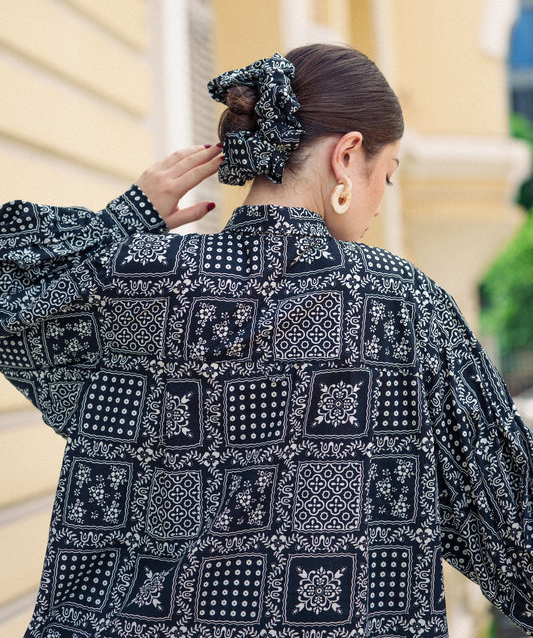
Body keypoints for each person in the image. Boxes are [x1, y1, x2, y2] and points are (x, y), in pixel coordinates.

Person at [0, 43, 532, 638]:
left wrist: (127, 221)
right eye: (387, 173)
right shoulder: (398, 304)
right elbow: (514, 525)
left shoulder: (138, 283)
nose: (382, 198)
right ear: (347, 155)